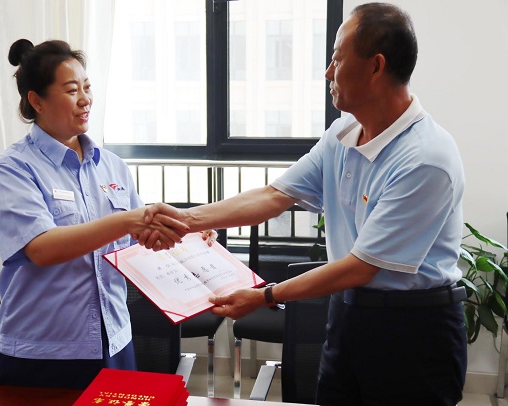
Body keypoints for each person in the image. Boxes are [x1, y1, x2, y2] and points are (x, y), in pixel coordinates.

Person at [140, 3, 467, 405]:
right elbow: (274, 196)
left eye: (337, 59)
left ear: (376, 66)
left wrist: (266, 296)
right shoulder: (343, 134)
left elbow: (361, 267)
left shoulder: (425, 159)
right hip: (349, 316)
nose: (328, 73)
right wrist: (185, 220)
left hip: (413, 329)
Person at [0, 39, 196, 389]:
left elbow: (137, 242)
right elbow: (42, 248)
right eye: (71, 90)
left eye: (87, 87)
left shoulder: (111, 166)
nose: (85, 99)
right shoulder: (14, 169)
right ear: (37, 101)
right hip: (43, 352)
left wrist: (186, 236)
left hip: (114, 341)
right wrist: (127, 220)